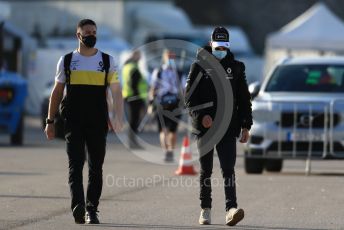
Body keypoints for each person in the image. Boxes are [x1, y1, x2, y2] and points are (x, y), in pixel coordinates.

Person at [44, 19, 123, 224]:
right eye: (87, 32)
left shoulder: (107, 61)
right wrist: (50, 121)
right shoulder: (67, 60)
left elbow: (116, 91)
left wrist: (119, 117)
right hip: (73, 121)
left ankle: (92, 209)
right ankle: (78, 205)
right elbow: (57, 92)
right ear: (78, 35)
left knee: (96, 167)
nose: (91, 35)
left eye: (94, 32)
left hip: (98, 122)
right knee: (76, 164)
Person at [185, 26, 252, 226]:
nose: (220, 49)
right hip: (204, 128)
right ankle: (205, 209)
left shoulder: (237, 67)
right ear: (211, 43)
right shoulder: (198, 66)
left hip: (228, 126)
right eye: (217, 46)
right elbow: (189, 98)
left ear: (228, 45)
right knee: (206, 170)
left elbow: (244, 99)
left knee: (228, 169)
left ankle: (231, 209)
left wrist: (246, 125)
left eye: (224, 46)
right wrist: (202, 115)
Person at [148, 50, 183, 162]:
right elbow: (153, 88)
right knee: (163, 129)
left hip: (175, 104)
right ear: (164, 58)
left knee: (172, 130)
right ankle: (167, 151)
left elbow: (184, 89)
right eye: (169, 57)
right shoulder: (158, 72)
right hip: (162, 103)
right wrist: (150, 104)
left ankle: (170, 150)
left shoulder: (179, 72)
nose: (170, 59)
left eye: (172, 57)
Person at [121, 50, 148, 149]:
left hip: (128, 96)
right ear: (135, 56)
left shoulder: (126, 66)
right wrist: (140, 97)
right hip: (135, 97)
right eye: (139, 56)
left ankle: (132, 142)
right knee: (134, 121)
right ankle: (132, 142)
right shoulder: (133, 68)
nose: (140, 58)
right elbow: (134, 84)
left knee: (133, 120)